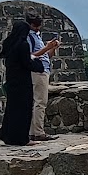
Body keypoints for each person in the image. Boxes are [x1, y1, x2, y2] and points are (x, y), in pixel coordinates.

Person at [0, 19, 36, 145]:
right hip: (22, 81)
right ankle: (21, 138)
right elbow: (27, 63)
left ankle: (8, 135)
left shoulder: (9, 43)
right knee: (23, 110)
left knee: (12, 110)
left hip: (12, 80)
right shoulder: (23, 44)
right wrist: (39, 65)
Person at [26, 14, 61, 143]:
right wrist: (46, 47)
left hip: (43, 70)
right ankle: (38, 133)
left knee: (38, 102)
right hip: (38, 71)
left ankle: (34, 132)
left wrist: (52, 48)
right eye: (35, 25)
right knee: (40, 102)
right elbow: (30, 56)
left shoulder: (36, 37)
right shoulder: (29, 37)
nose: (37, 28)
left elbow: (47, 56)